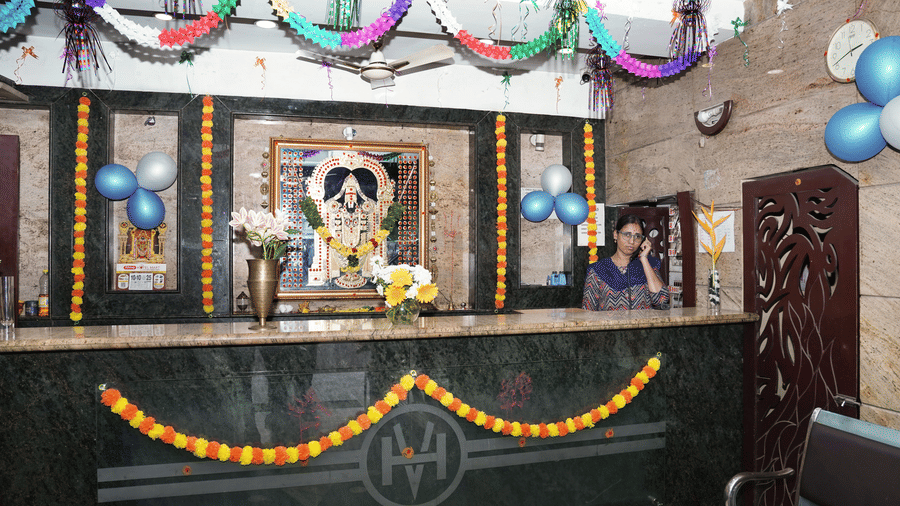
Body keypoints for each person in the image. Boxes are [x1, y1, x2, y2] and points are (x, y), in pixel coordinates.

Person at [582, 214, 669, 311]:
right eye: (627, 235)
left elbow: (662, 299)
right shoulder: (598, 269)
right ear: (616, 235)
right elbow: (588, 311)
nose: (632, 241)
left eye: (637, 236)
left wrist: (644, 258)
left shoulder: (648, 265)